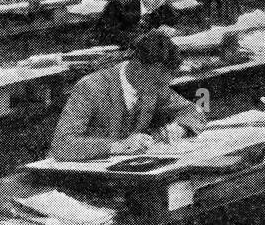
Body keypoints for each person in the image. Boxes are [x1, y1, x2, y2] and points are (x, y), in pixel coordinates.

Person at [51, 29, 206, 162]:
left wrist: (180, 128)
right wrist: (117, 146)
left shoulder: (154, 84)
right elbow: (61, 144)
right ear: (137, 68)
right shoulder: (91, 87)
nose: (162, 90)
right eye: (157, 83)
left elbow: (194, 111)